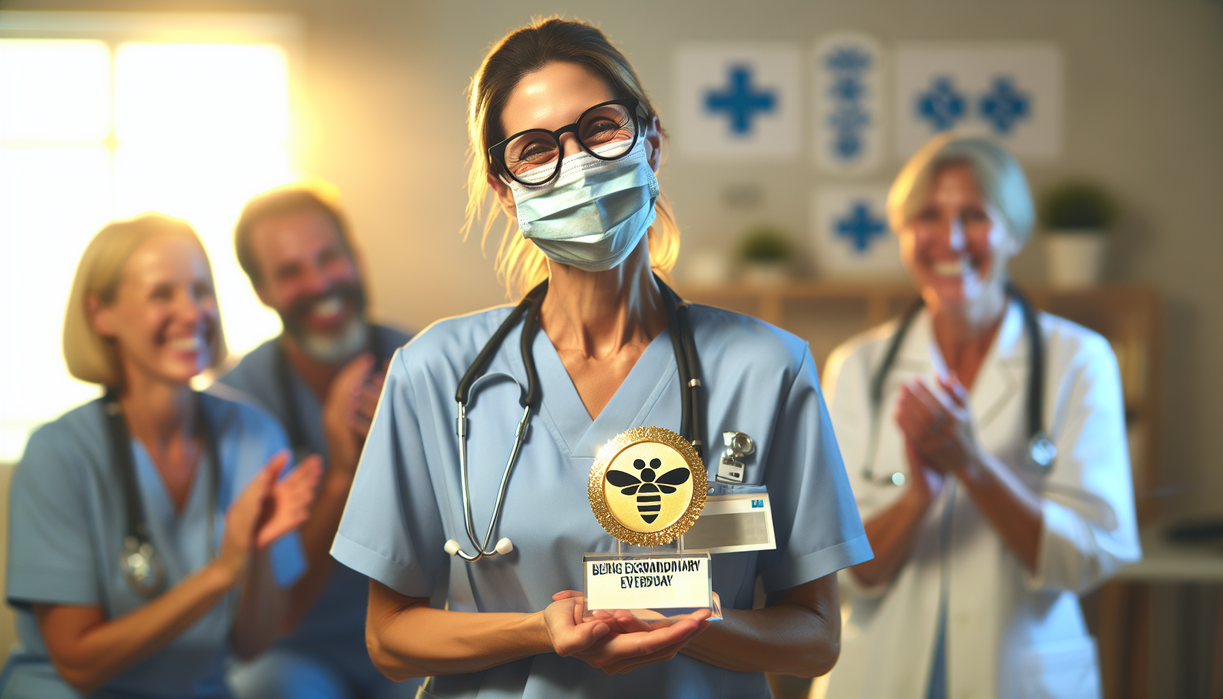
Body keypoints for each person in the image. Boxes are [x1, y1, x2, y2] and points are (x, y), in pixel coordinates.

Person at [330, 17, 871, 699]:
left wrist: (686, 624)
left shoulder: (767, 369)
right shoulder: (437, 373)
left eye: (599, 128)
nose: (577, 166)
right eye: (533, 149)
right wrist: (536, 630)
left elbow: (815, 637)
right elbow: (390, 639)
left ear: (651, 139)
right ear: (504, 187)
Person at [822, 135, 1142, 699]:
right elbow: (844, 568)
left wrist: (974, 467)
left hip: (1021, 673)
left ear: (1014, 231)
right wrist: (918, 496)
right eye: (928, 216)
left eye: (973, 216)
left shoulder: (1079, 360)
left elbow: (1092, 556)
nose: (948, 239)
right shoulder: (857, 367)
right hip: (878, 673)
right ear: (903, 234)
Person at [0, 213, 322, 699]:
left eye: (200, 289)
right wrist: (222, 571)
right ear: (100, 314)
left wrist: (255, 556)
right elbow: (78, 664)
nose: (192, 313)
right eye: (161, 294)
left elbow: (252, 645)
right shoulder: (58, 454)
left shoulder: (256, 434)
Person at [216, 183, 417, 699]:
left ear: (356, 259)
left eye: (329, 258)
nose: (320, 283)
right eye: (290, 272)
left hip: (414, 635)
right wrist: (344, 475)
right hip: (297, 649)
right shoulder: (237, 404)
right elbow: (269, 609)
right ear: (261, 291)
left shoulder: (427, 364)